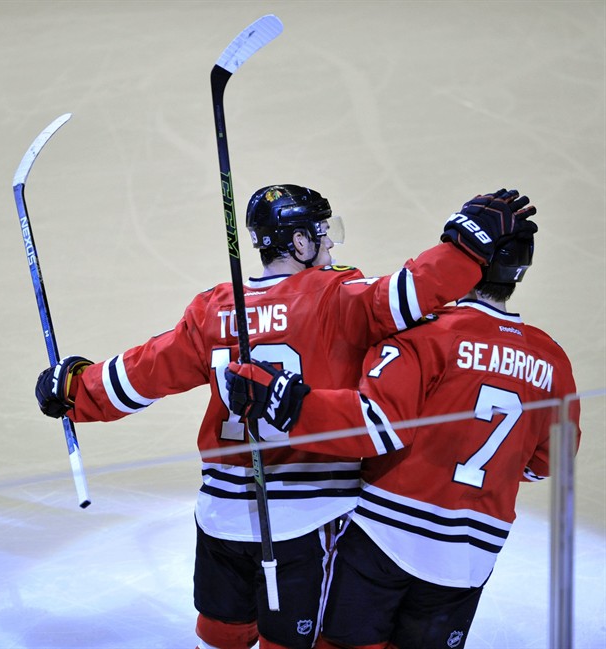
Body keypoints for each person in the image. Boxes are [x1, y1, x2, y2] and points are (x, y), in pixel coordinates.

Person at [34, 184, 534, 649]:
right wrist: (468, 247)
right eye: (322, 236)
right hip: (306, 519)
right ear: (298, 242)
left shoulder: (214, 308)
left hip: (221, 517)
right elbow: (418, 290)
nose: (331, 248)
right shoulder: (338, 296)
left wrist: (76, 388)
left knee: (218, 635)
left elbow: (143, 373)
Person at [225, 196, 580, 649]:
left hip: (383, 538)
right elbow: (547, 463)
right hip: (471, 554)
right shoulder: (552, 359)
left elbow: (371, 424)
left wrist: (290, 404)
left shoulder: (425, 334)